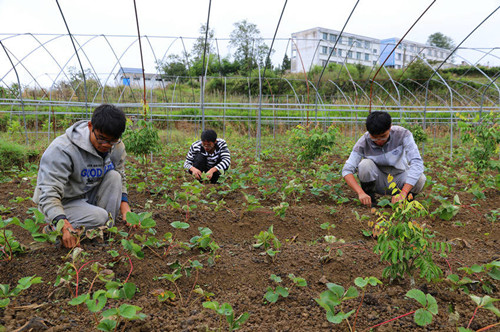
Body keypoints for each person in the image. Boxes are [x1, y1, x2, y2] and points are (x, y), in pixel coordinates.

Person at [33, 104, 131, 248]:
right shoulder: (63, 149)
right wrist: (63, 223)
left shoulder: (116, 146)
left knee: (114, 176)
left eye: (112, 141)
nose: (106, 145)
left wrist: (126, 209)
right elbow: (49, 192)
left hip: (85, 195)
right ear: (91, 126)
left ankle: (102, 232)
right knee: (100, 217)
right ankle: (52, 228)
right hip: (62, 202)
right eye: (101, 138)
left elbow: (121, 176)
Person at [342, 111, 426, 207]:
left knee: (420, 178)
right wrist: (360, 193)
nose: (379, 141)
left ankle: (405, 201)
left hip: (399, 178)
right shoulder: (363, 142)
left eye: (383, 137)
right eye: (374, 138)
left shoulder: (402, 134)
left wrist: (403, 193)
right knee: (365, 164)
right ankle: (370, 199)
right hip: (378, 180)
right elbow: (347, 170)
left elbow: (416, 162)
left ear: (390, 127)